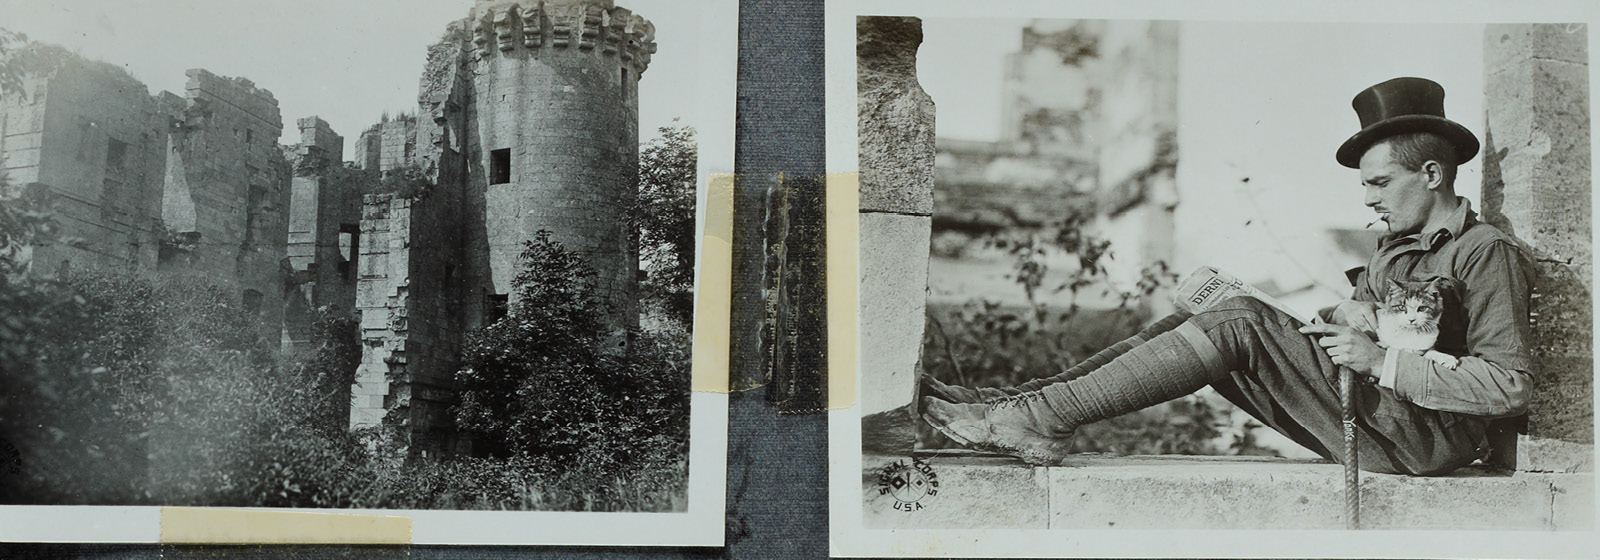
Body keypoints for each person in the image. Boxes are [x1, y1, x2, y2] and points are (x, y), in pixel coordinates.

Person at [921, 77, 1534, 475]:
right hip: (1376, 413)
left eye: (1379, 183)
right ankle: (1019, 404)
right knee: (1203, 315)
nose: (1368, 199)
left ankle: (1043, 418)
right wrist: (1344, 315)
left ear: (1431, 174)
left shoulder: (1485, 253)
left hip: (1420, 438)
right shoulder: (1394, 249)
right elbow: (1362, 332)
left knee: (1240, 322)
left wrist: (1381, 363)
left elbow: (1509, 385)